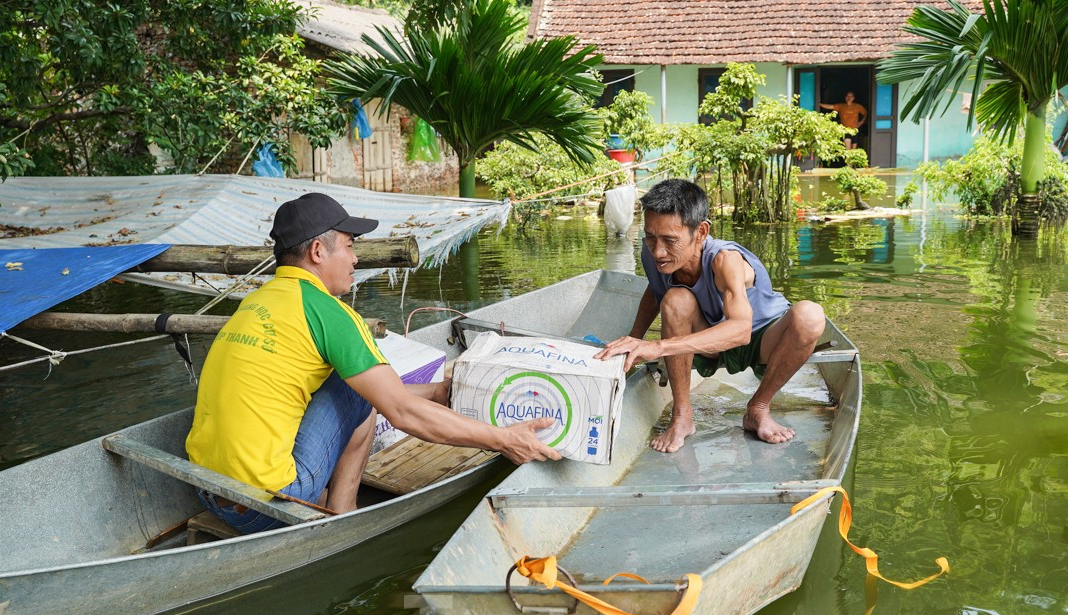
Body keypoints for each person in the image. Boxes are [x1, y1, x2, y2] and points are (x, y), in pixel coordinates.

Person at [186, 192, 560, 534]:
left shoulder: (255, 302)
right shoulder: (329, 313)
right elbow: (399, 412)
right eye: (349, 247)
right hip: (269, 505)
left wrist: (434, 391)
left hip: (206, 489)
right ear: (318, 251)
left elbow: (382, 395)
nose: (355, 258)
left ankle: (331, 502)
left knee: (354, 384)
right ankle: (343, 514)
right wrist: (504, 438)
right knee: (361, 394)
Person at [594, 179, 825, 452]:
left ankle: (759, 407)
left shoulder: (725, 261)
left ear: (701, 232)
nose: (658, 251)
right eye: (650, 237)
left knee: (810, 315)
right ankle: (682, 416)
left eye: (670, 240)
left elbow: (739, 331)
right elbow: (655, 292)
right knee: (675, 299)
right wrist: (633, 339)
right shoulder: (653, 253)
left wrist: (657, 346)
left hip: (760, 338)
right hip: (708, 341)